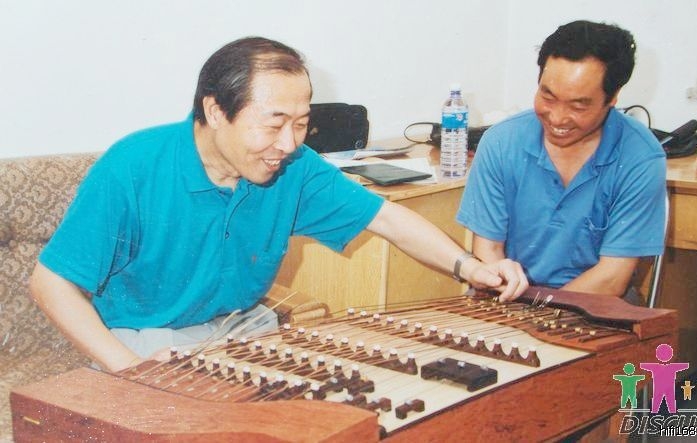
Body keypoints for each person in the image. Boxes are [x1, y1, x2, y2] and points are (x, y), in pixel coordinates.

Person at [29, 37, 528, 373]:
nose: (288, 144)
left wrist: (471, 267)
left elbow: (389, 219)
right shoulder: (134, 167)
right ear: (215, 111)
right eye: (273, 123)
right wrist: (130, 368)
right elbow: (50, 283)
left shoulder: (293, 166)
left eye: (301, 123)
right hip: (144, 338)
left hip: (239, 327)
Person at [457, 20, 667, 298]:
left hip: (595, 304)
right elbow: (489, 253)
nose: (557, 118)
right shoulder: (501, 142)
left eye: (578, 106)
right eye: (548, 96)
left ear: (612, 97)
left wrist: (539, 315)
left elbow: (611, 278)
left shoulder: (640, 158)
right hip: (509, 298)